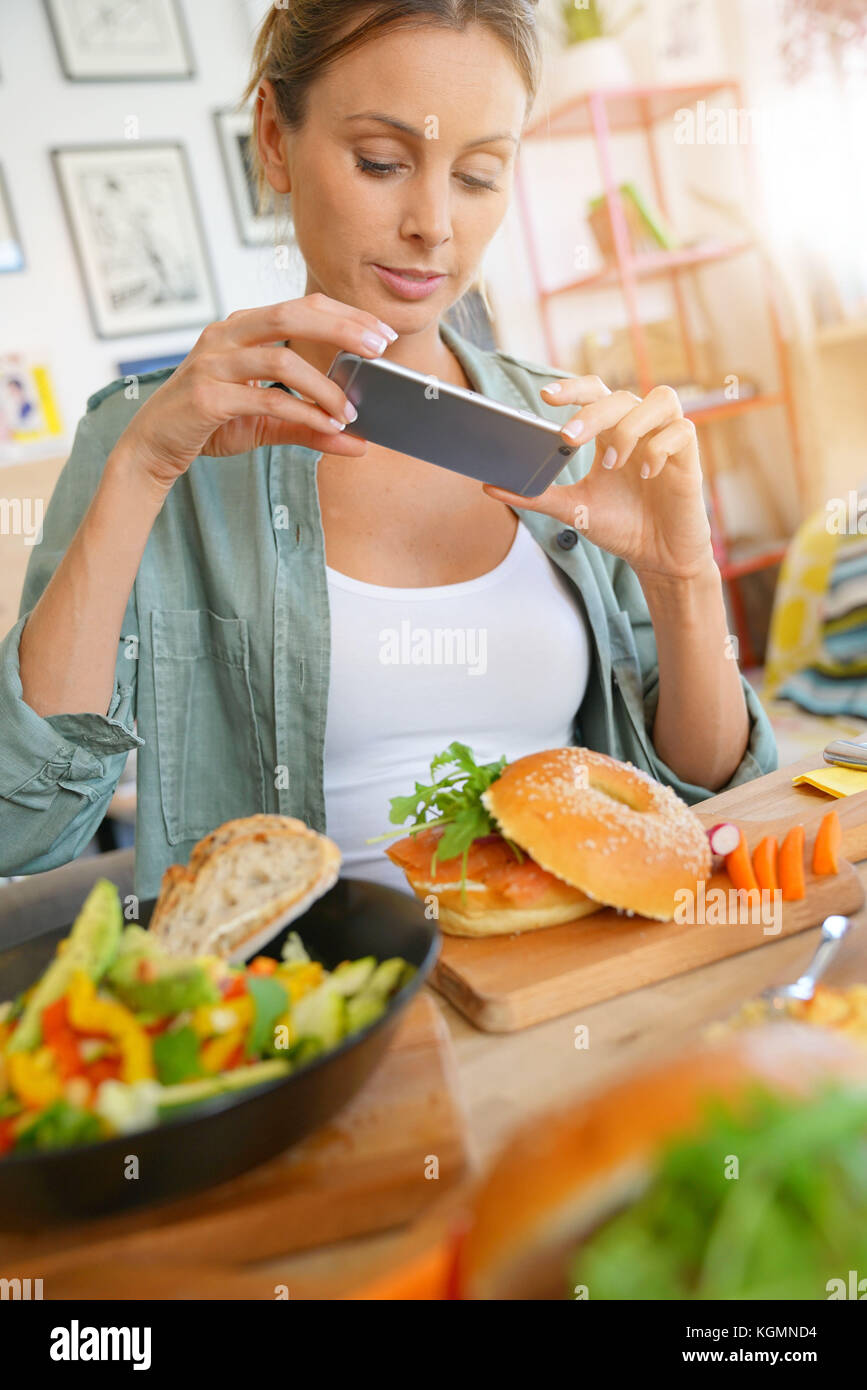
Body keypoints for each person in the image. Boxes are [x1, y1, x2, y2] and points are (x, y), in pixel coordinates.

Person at [0, 0, 776, 903]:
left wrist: (684, 578)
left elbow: (709, 794)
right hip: (322, 1010)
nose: (432, 223)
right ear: (274, 138)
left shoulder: (564, 433)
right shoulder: (148, 437)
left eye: (480, 174)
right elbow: (25, 825)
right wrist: (138, 473)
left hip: (571, 983)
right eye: (380, 161)